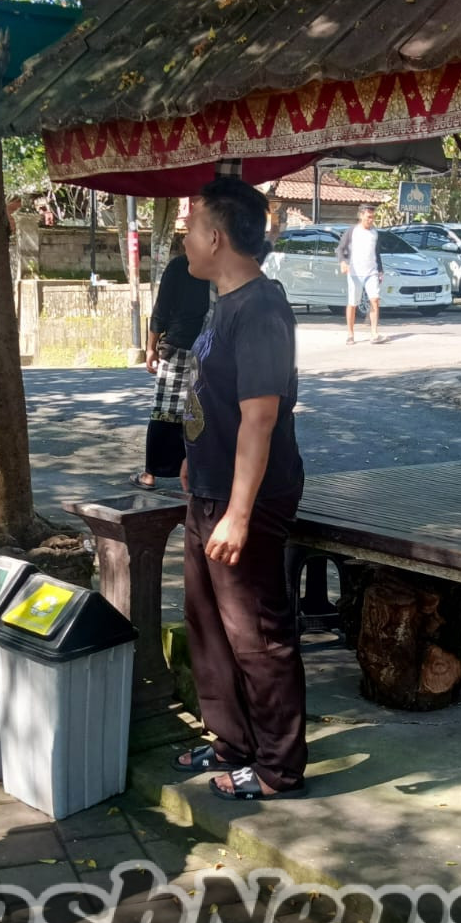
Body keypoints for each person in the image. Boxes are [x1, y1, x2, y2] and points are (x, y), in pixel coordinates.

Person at [171, 177, 308, 801]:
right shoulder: (222, 301)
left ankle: (278, 769)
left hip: (245, 499)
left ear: (217, 236)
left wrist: (238, 513)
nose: (184, 238)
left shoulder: (260, 309)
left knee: (257, 633)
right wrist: (193, 465)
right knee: (209, 623)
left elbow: (260, 417)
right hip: (209, 489)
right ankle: (232, 741)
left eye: (191, 227)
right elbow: (216, 403)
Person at [133, 241, 210, 490]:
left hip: (178, 345)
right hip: (209, 348)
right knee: (198, 411)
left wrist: (151, 347)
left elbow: (161, 309)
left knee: (166, 411)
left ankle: (150, 474)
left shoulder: (179, 266)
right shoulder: (218, 267)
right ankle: (196, 470)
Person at [336, 205, 384, 345]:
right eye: (368, 217)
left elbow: (377, 253)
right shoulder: (352, 231)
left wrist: (380, 270)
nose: (371, 220)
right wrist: (343, 262)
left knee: (374, 299)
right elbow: (340, 249)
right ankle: (350, 334)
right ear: (361, 216)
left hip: (371, 271)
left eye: (372, 217)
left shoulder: (375, 233)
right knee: (353, 303)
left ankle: (374, 333)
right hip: (355, 272)